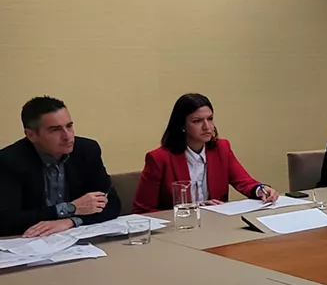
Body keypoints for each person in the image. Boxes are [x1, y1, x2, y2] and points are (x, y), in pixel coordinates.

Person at [133, 93, 279, 213]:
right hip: (177, 230)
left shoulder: (222, 148)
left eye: (210, 119)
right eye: (197, 121)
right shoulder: (159, 158)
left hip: (216, 227)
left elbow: (243, 181)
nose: (207, 126)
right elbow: (142, 210)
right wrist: (193, 209)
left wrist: (261, 190)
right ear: (182, 125)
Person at [0, 96, 120, 238]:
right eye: (55, 130)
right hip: (28, 242)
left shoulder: (87, 150)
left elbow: (112, 204)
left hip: (75, 237)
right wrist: (70, 208)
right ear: (31, 135)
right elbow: (5, 221)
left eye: (69, 126)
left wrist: (71, 221)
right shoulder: (9, 160)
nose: (67, 136)